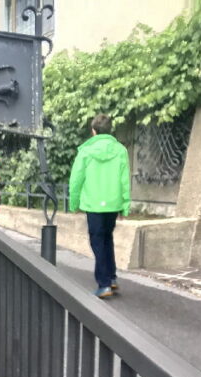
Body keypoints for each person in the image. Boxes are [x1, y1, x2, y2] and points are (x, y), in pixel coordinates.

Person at [69, 114, 131, 299]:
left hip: (93, 204)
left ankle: (104, 283)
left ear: (93, 131)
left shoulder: (86, 151)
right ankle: (111, 278)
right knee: (107, 238)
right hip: (113, 203)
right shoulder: (120, 150)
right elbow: (125, 180)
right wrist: (125, 206)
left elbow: (76, 180)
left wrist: (74, 204)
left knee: (97, 242)